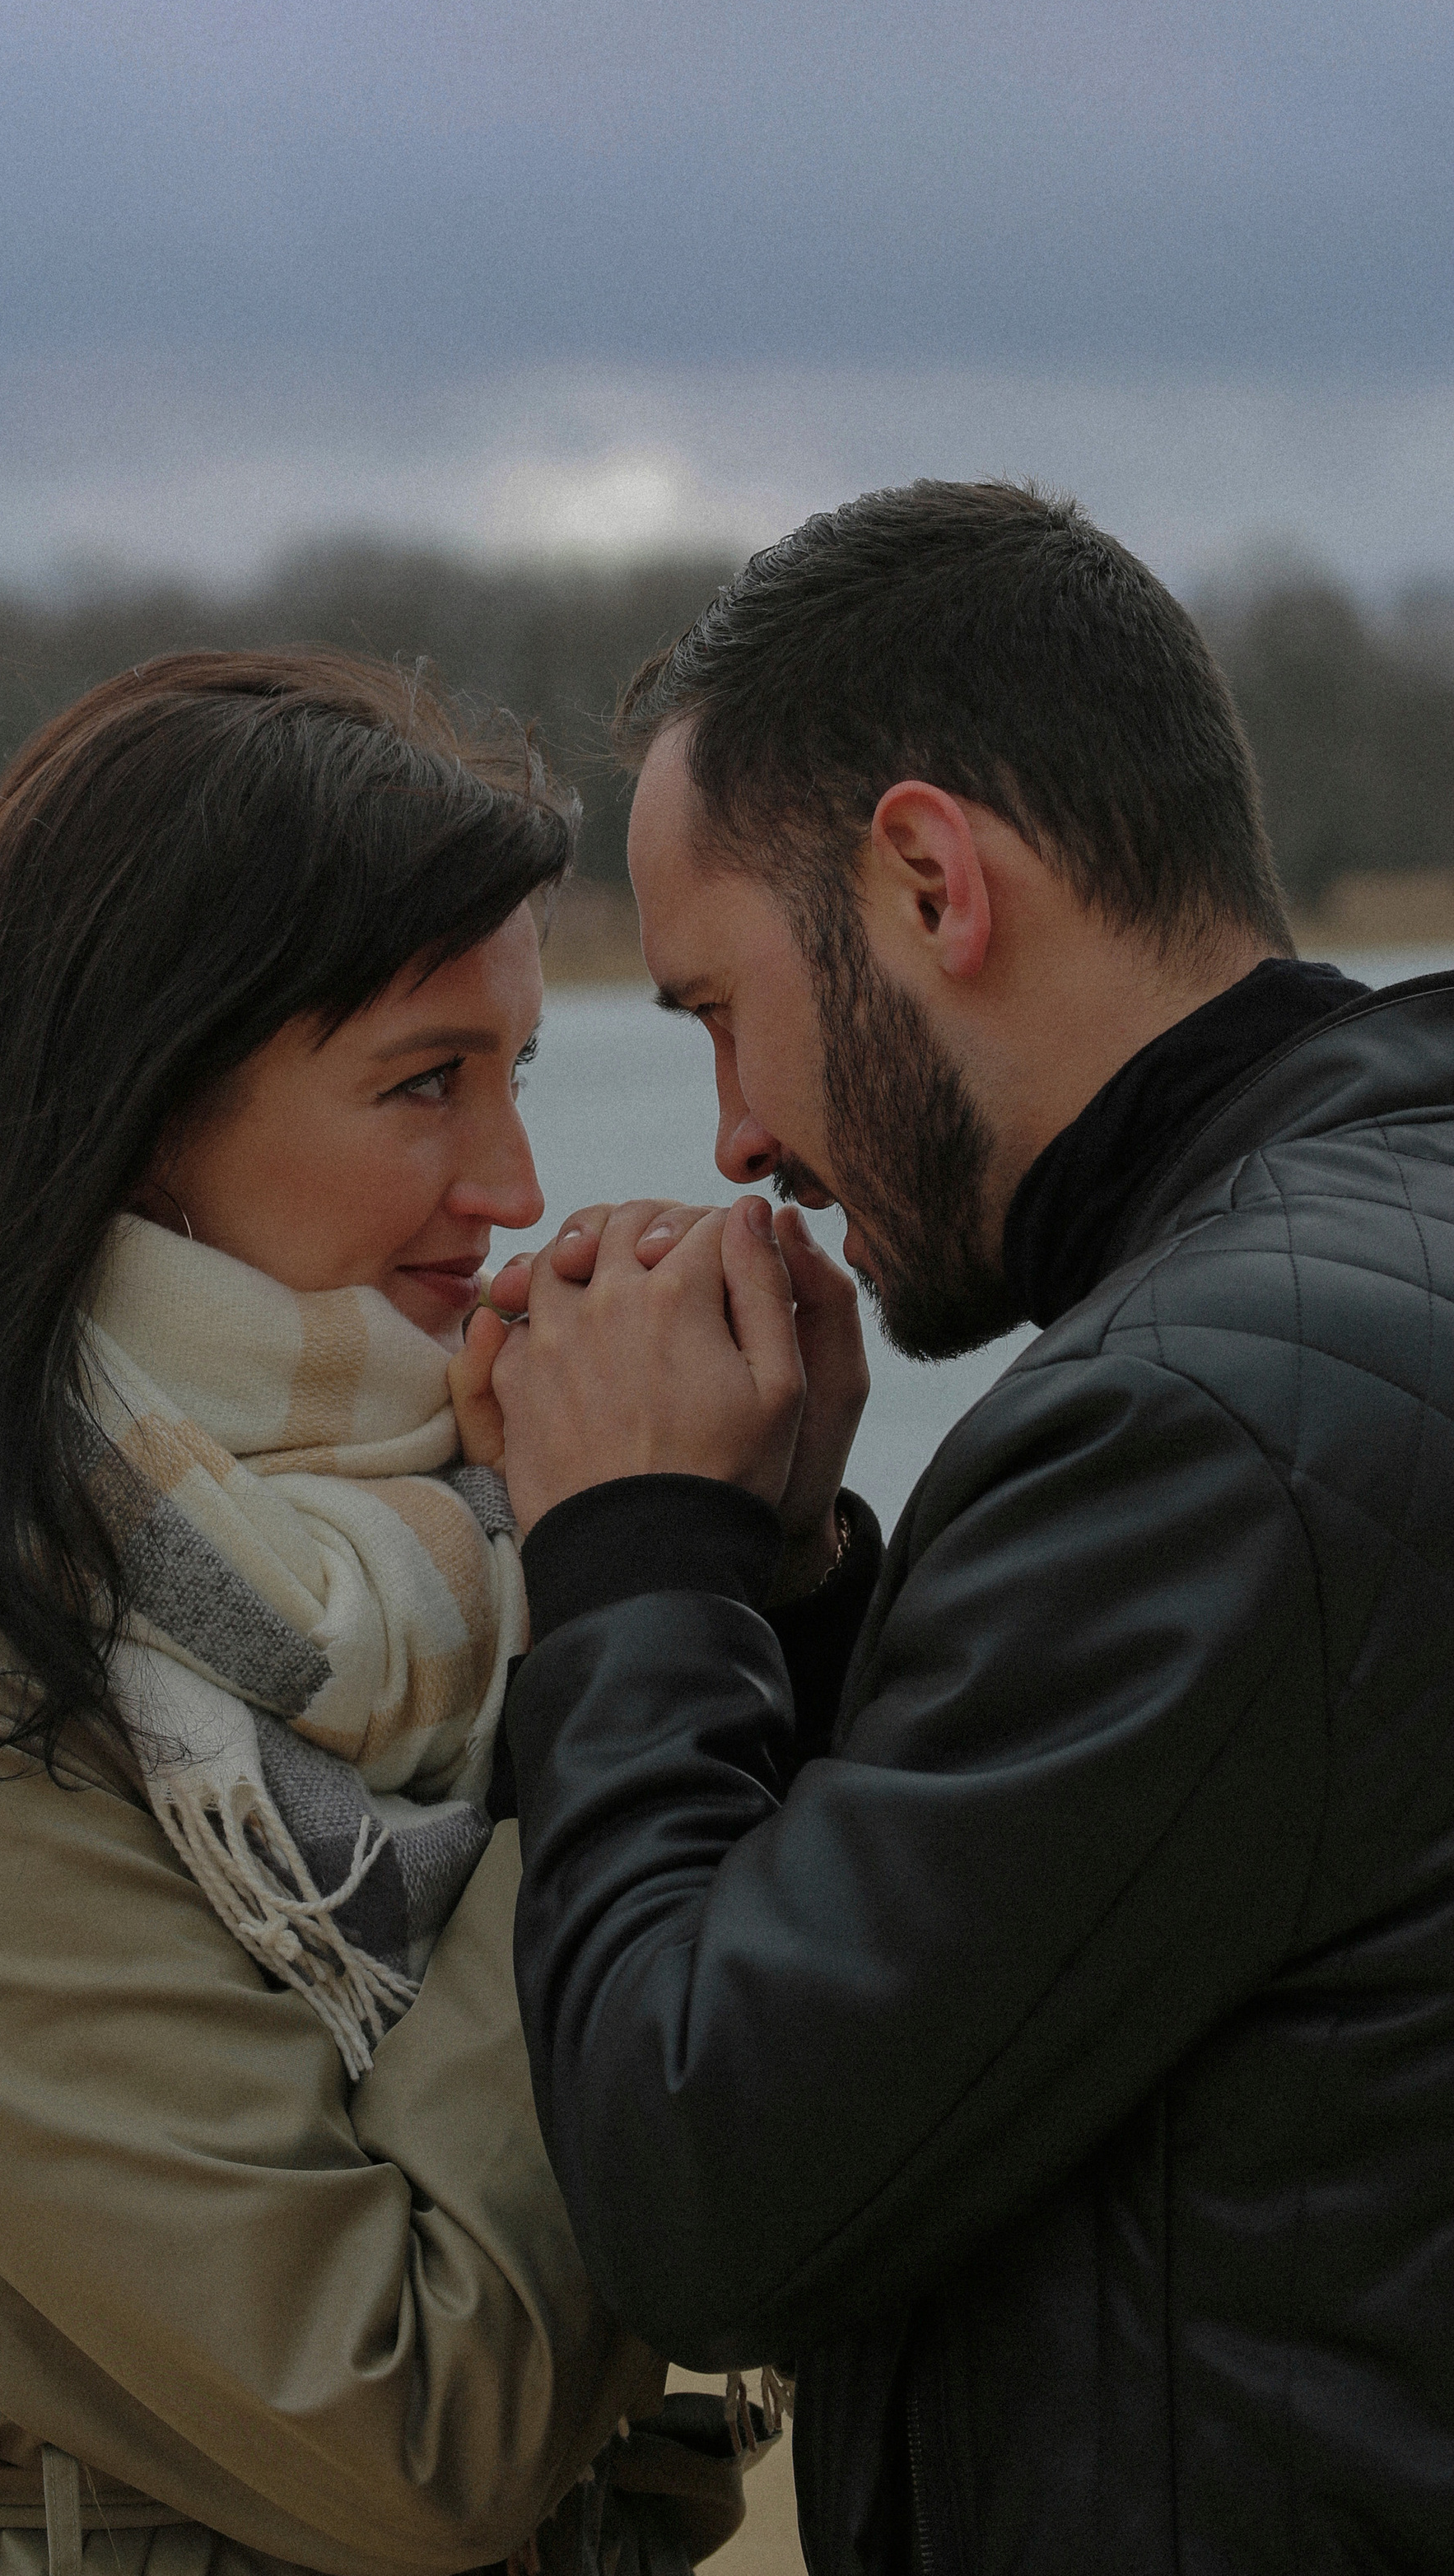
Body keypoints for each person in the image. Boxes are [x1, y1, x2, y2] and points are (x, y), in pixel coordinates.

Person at [0, 648, 759, 2576]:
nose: (512, 1187)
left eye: (516, 1075)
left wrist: (752, 1567)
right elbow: (410, 2424)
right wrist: (630, 1637)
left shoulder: (459, 1544)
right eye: (422, 1083)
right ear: (142, 1101)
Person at [476, 483, 1454, 2576]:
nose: (736, 1135)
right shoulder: (1378, 1260)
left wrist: (632, 1557)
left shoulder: (1206, 1425)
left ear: (930, 883)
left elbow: (707, 2194)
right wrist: (805, 1586)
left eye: (715, 1009)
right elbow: (1128, 1928)